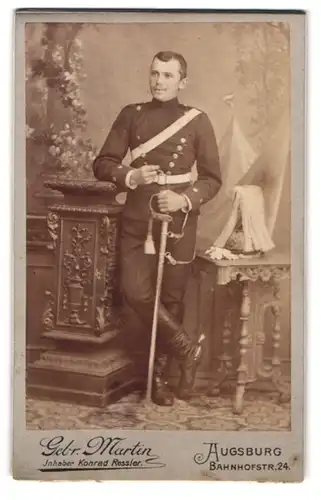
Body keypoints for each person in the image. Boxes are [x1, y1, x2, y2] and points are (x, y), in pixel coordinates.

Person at [93, 51, 222, 406]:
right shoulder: (131, 115)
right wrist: (130, 175)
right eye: (155, 73)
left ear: (182, 82)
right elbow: (102, 163)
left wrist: (184, 200)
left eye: (168, 75)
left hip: (179, 220)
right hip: (138, 219)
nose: (159, 81)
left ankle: (160, 378)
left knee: (172, 298)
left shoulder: (197, 121)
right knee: (135, 291)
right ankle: (186, 347)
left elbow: (212, 179)